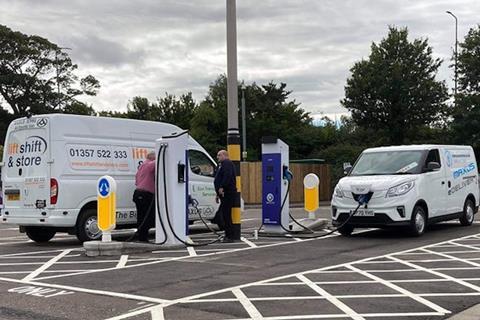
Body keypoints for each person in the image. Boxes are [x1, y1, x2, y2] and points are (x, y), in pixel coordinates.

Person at [214, 149, 237, 243]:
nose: (217, 157)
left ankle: (230, 236)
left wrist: (222, 187)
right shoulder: (223, 165)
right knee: (223, 214)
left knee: (226, 215)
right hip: (224, 193)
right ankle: (228, 235)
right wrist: (218, 193)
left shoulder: (226, 163)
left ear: (224, 155)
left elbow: (227, 176)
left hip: (228, 192)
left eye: (219, 155)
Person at [133, 151, 156, 242]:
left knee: (141, 216)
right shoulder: (150, 165)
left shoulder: (141, 167)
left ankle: (142, 236)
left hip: (138, 193)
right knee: (148, 216)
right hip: (146, 194)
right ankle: (143, 237)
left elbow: (137, 182)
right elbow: (160, 161)